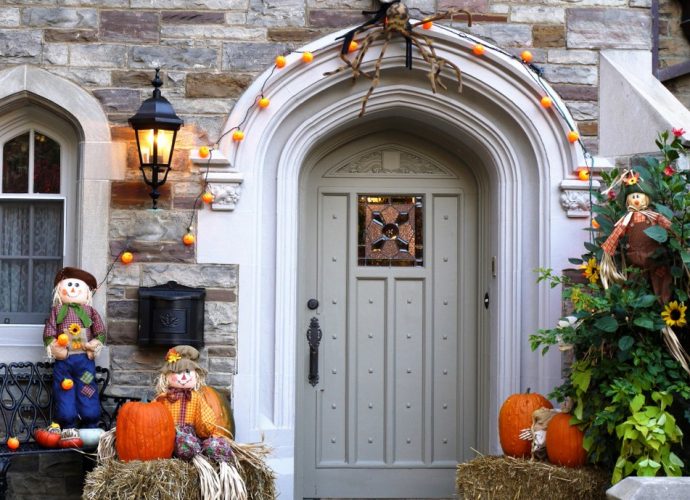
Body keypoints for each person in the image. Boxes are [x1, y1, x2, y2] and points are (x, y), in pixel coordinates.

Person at [43, 267, 105, 430]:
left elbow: (100, 332)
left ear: (87, 293)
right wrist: (56, 348)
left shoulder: (90, 312)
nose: (72, 289)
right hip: (64, 362)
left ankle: (90, 421)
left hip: (84, 361)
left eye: (77, 286)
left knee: (87, 388)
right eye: (69, 285)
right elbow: (49, 333)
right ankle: (67, 423)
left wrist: (94, 345)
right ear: (59, 290)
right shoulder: (57, 311)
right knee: (64, 388)